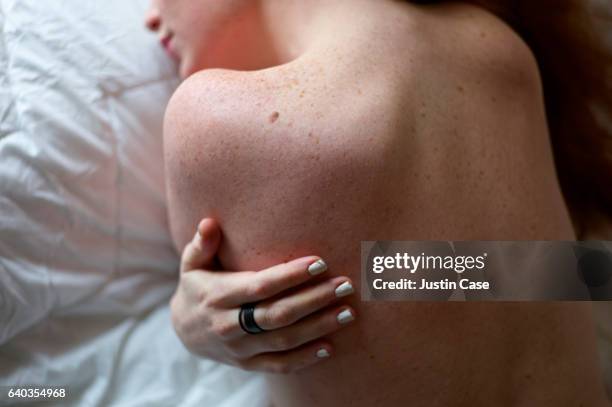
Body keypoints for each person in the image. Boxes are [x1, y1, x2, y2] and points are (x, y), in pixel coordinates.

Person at [146, 0, 612, 405]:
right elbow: (535, 275)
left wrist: (186, 324)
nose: (150, 17)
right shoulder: (501, 50)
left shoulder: (214, 118)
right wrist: (392, 275)